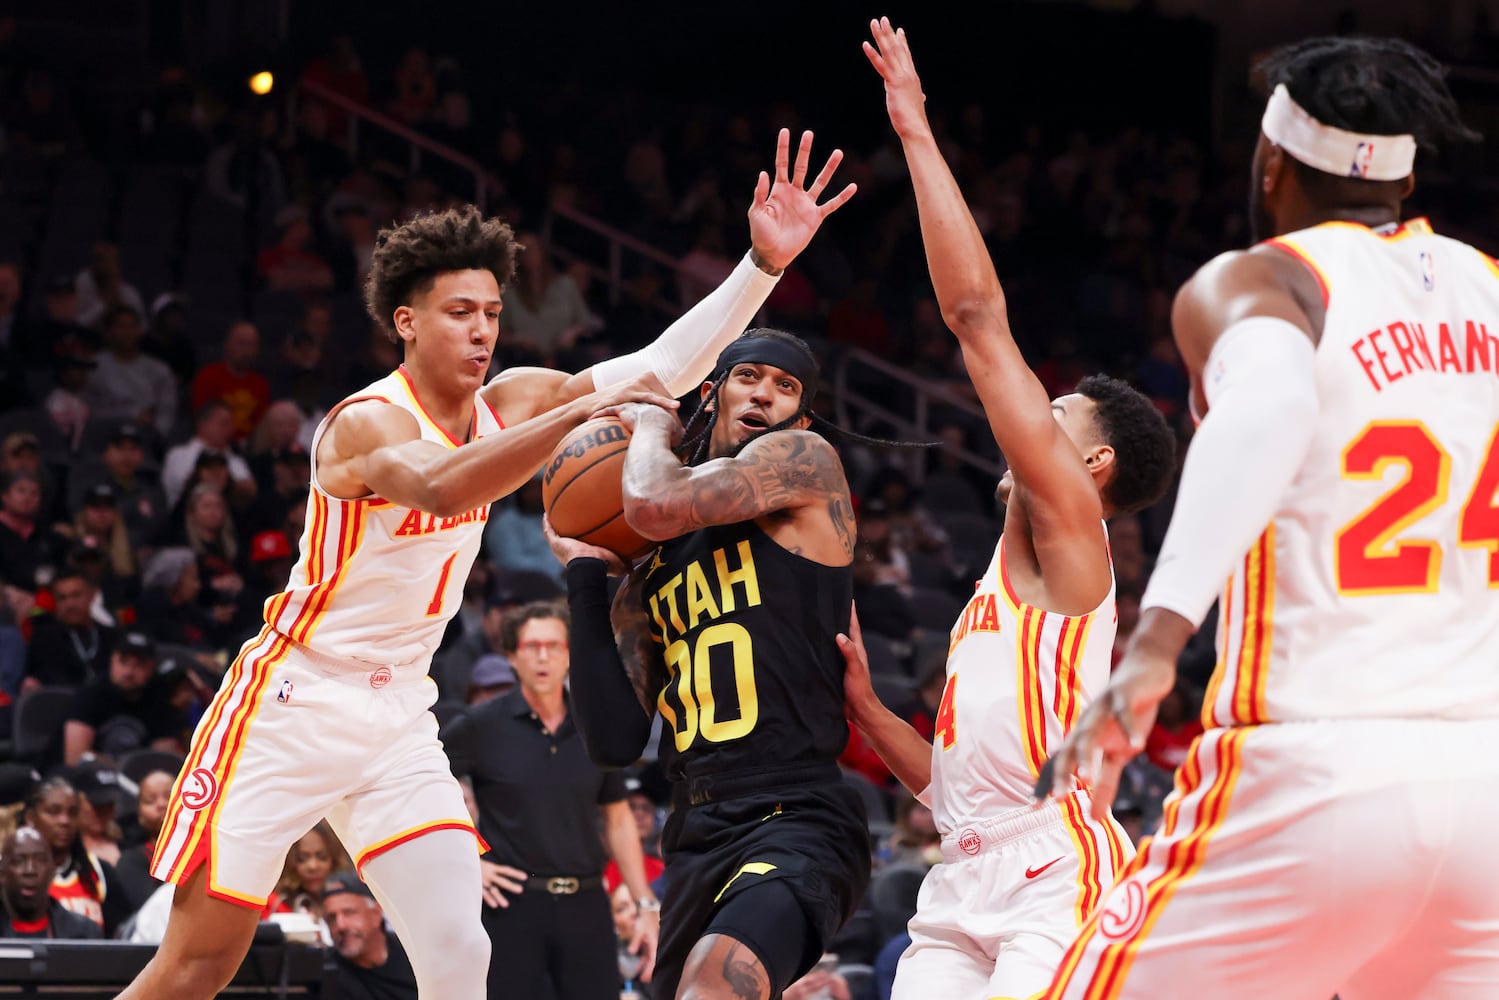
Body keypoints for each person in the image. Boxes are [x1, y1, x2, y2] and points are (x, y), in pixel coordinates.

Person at [120, 128, 854, 1000]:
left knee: (460, 951)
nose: (481, 331)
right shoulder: (366, 423)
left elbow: (660, 367)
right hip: (295, 699)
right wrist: (577, 413)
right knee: (199, 965)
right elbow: (441, 486)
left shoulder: (510, 400)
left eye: (493, 313)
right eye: (459, 313)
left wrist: (761, 267)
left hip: (398, 711)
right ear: (406, 322)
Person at [1037, 35, 1499, 999]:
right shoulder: (1490, 286)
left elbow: (1272, 404)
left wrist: (1155, 643)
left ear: (1271, 163)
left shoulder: (1262, 280)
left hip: (1315, 768)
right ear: (1405, 181)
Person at [838, 21, 1176, 1000]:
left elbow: (975, 319)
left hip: (1054, 876)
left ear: (1090, 463)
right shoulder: (999, 584)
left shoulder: (1072, 528)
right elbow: (957, 796)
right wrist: (868, 711)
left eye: (1051, 414)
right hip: (962, 873)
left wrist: (914, 129)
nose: (1023, 426)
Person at [550, 325, 873, 1000]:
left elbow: (653, 503)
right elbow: (612, 742)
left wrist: (648, 423)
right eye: (747, 376)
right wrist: (585, 577)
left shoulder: (805, 460)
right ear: (712, 393)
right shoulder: (654, 569)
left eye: (785, 387)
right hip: (695, 830)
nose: (764, 394)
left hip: (795, 812)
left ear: (800, 418)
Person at [442, 600, 662, 999]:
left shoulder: (594, 725)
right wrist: (469, 861)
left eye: (554, 646)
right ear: (512, 656)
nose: (542, 657)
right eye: (531, 646)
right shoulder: (479, 726)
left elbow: (617, 817)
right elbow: (424, 784)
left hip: (588, 901)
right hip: (512, 904)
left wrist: (645, 904)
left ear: (569, 655)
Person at [63, 631, 185, 765]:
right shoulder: (89, 695)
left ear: (151, 667)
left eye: (139, 665)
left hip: (140, 773)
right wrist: (122, 768)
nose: (129, 672)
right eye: (123, 662)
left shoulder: (159, 698)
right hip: (89, 773)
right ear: (112, 660)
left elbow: (165, 755)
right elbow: (75, 758)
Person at [322, 871, 418, 1000]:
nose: (340, 925)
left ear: (376, 913)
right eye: (331, 918)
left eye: (349, 912)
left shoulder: (414, 956)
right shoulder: (326, 973)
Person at [0, 826, 102, 939]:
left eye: (40, 860)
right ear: (2, 873)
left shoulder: (84, 933)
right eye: (18, 861)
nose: (30, 870)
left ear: (52, 871)